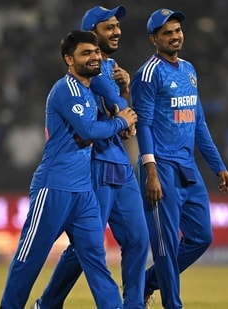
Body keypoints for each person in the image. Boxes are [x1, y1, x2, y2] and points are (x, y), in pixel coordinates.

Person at [0, 30, 137, 309]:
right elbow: (88, 129)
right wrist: (121, 121)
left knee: (96, 261)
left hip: (83, 192)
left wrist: (121, 98)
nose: (95, 57)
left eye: (96, 52)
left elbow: (93, 130)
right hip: (54, 188)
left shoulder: (88, 91)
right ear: (69, 60)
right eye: (86, 53)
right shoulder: (66, 89)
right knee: (30, 260)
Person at [32, 5, 149, 309]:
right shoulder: (90, 74)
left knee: (137, 238)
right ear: (92, 34)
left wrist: (124, 92)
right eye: (108, 27)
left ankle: (134, 304)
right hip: (95, 164)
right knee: (88, 246)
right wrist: (121, 107)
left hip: (119, 163)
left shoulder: (111, 70)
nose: (117, 31)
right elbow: (109, 117)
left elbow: (126, 123)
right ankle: (47, 303)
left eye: (117, 26)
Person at [130, 8, 228, 309]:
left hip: (188, 167)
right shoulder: (147, 74)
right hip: (160, 166)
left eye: (177, 31)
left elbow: (197, 122)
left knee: (201, 237)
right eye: (167, 33)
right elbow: (144, 125)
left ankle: (147, 283)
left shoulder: (189, 69)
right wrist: (151, 172)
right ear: (154, 39)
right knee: (166, 246)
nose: (175, 36)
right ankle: (172, 305)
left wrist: (218, 164)